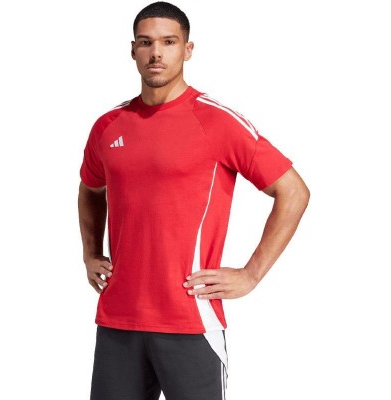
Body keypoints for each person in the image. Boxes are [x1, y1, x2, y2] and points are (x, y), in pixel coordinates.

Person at [78, 2, 310, 399]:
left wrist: (251, 273)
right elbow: (90, 188)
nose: (156, 53)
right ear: (132, 50)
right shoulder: (108, 125)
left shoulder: (217, 121)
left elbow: (293, 191)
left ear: (187, 50)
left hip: (190, 319)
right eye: (146, 42)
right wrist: (90, 253)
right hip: (118, 320)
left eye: (169, 42)